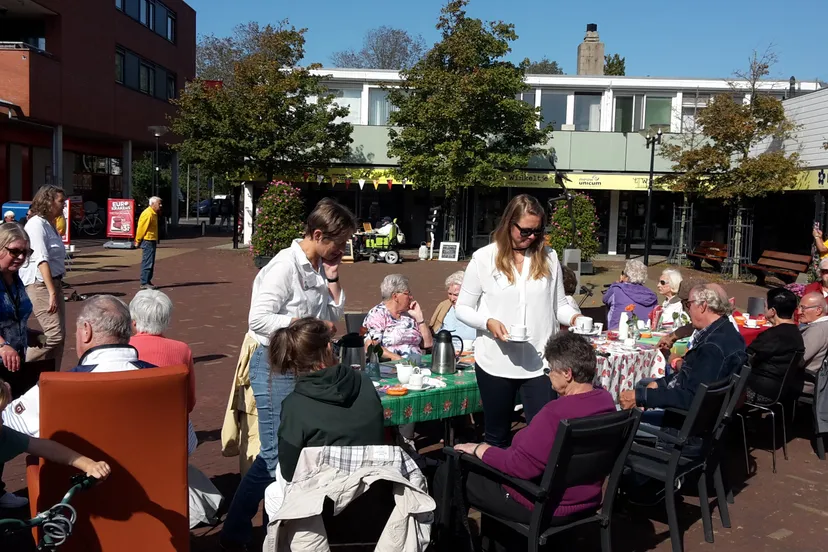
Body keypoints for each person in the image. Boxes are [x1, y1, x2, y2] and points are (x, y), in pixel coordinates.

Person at [220, 198, 356, 551]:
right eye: (338, 244)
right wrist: (306, 324)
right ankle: (238, 531)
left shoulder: (316, 266)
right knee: (273, 456)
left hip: (301, 364)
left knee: (292, 449)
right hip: (274, 362)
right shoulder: (285, 266)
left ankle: (272, 526)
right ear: (317, 234)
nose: (342, 250)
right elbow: (258, 320)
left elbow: (334, 313)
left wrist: (334, 276)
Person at [444, 332, 616, 523]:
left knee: (449, 472)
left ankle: (451, 539)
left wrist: (480, 449)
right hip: (587, 499)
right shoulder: (606, 401)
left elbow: (519, 467)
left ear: (567, 373)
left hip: (544, 504)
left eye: (551, 370)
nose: (549, 376)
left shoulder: (555, 413)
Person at [456, 194, 582, 447]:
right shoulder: (484, 258)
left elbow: (558, 306)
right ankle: (496, 486)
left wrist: (575, 317)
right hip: (496, 362)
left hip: (539, 362)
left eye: (538, 231)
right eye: (525, 230)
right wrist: (488, 322)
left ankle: (533, 485)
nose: (532, 237)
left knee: (543, 437)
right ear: (508, 224)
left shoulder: (549, 257)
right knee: (496, 436)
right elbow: (462, 308)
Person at [274, 318, 384, 482]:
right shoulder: (365, 382)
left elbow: (289, 471)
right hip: (373, 485)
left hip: (324, 497)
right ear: (328, 346)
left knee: (274, 487)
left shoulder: (294, 405)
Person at [619, 284, 747, 414]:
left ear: (702, 306)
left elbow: (691, 398)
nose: (687, 310)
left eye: (688, 304)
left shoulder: (712, 348)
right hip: (701, 417)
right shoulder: (728, 333)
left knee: (618, 417)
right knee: (643, 387)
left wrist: (643, 396)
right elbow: (691, 375)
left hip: (685, 424)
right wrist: (661, 383)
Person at [1, 379, 110, 506]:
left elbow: (48, 448)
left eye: (1, 412)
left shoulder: (4, 435)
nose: (2, 421)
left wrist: (89, 464)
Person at [129, 289, 196, 413]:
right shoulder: (182, 349)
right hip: (170, 421)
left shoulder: (123, 347)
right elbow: (189, 402)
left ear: (134, 321)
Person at [21, 186, 66, 367]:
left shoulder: (50, 224)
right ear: (48, 201)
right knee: (54, 334)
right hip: (40, 284)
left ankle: (53, 378)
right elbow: (41, 259)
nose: (64, 205)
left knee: (60, 337)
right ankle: (16, 363)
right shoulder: (36, 225)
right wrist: (52, 293)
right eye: (61, 201)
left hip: (55, 283)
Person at [745, 288, 805, 404]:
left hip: (760, 390)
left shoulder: (773, 336)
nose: (764, 309)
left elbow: (746, 357)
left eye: (765, 306)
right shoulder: (796, 333)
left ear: (772, 311)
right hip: (780, 389)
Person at [363, 274, 434, 361]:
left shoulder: (409, 315)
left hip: (417, 366)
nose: (411, 297)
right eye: (408, 293)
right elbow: (370, 345)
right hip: (390, 367)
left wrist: (420, 319)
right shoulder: (378, 314)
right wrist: (396, 358)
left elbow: (428, 344)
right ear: (395, 296)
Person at [603, 259, 658, 330]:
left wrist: (616, 284)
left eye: (623, 273)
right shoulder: (651, 295)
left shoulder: (616, 289)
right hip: (644, 332)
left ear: (626, 276)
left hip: (618, 332)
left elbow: (605, 300)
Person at [436, 270, 477, 347]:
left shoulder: (477, 310)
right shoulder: (444, 307)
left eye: (456, 295)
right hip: (447, 351)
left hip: (472, 353)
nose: (452, 299)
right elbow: (435, 331)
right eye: (449, 294)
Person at [798, 291, 828, 378]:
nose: (799, 312)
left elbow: (797, 360)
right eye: (799, 307)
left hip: (803, 382)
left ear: (818, 310)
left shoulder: (817, 330)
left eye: (803, 308)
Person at [135, 196, 162, 290]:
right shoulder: (148, 214)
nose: (160, 205)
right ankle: (144, 282)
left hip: (152, 239)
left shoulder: (153, 213)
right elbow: (141, 228)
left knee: (151, 261)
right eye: (159, 203)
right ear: (152, 204)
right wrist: (137, 240)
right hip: (148, 240)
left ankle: (147, 280)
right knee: (147, 261)